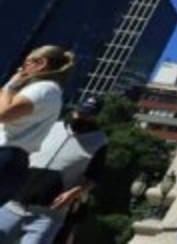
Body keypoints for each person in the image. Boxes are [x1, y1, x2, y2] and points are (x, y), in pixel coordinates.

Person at [0, 96, 107, 243]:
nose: (81, 116)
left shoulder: (99, 141)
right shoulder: (51, 127)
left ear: (95, 116)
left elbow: (95, 177)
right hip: (12, 205)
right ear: (75, 108)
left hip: (47, 216)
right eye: (80, 111)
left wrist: (74, 192)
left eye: (87, 114)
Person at [0, 47, 73, 206]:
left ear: (41, 64)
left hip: (6, 153)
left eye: (26, 63)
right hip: (12, 159)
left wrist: (9, 87)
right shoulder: (50, 91)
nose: (21, 69)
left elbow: (3, 113)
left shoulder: (43, 89)